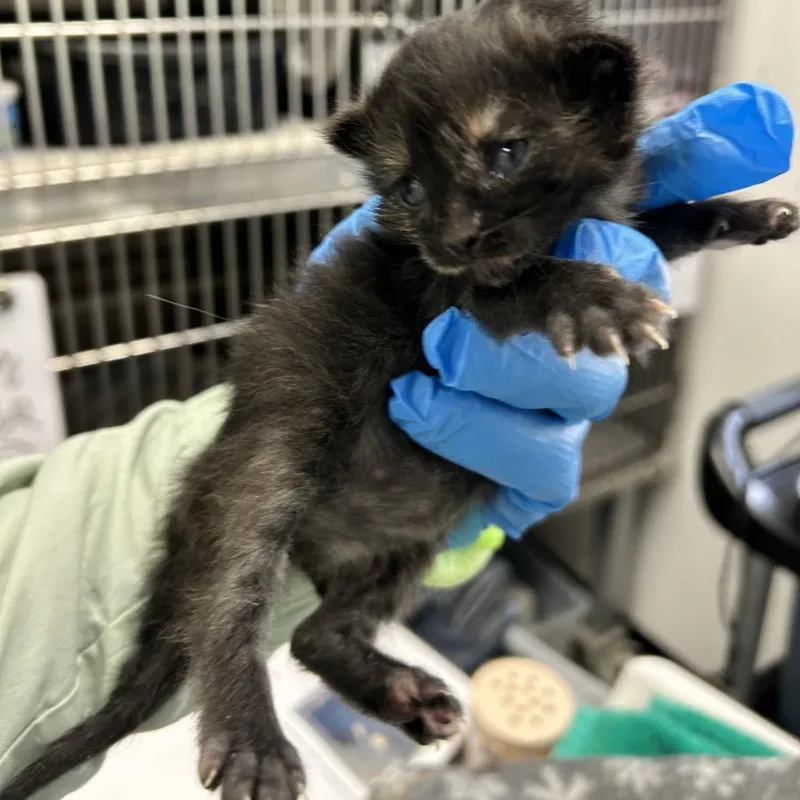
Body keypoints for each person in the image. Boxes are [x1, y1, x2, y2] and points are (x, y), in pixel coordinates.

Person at [0, 82, 792, 797]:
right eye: (414, 189)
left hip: (389, 475)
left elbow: (594, 234)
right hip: (331, 400)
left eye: (505, 153)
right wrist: (571, 287)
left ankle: (339, 636)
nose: (453, 221)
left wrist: (700, 225)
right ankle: (237, 705)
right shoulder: (434, 239)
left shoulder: (575, 155)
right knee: (273, 490)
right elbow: (481, 285)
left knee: (423, 525)